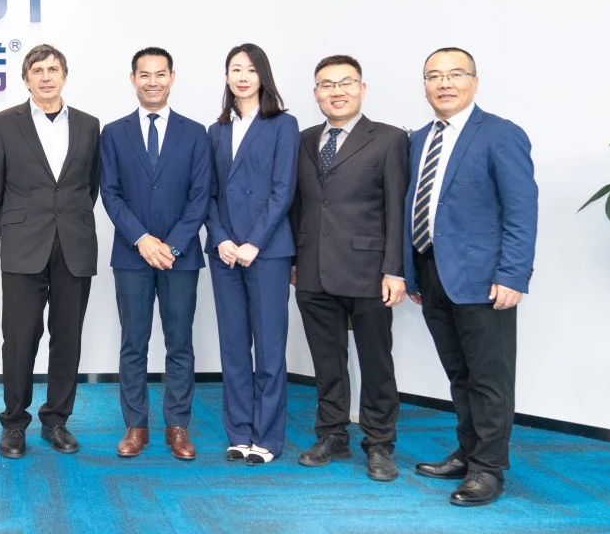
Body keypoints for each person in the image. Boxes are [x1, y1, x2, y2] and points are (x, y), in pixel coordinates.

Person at [405, 47, 537, 506]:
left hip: (484, 280)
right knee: (459, 373)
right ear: (424, 86)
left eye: (455, 74)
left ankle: (489, 469)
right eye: (433, 76)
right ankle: (468, 452)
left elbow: (521, 211)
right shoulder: (418, 139)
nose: (444, 83)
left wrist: (513, 274)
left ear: (474, 82)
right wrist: (412, 272)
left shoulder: (501, 134)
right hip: (432, 274)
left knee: (489, 378)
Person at [289, 55, 408, 481]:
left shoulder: (390, 139)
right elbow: (297, 205)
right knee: (327, 362)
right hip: (312, 270)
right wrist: (294, 260)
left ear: (362, 88)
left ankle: (379, 443)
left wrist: (395, 269)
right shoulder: (302, 140)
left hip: (368, 271)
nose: (336, 91)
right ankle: (331, 435)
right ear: (316, 92)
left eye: (345, 82)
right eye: (327, 84)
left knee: (376, 362)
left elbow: (397, 208)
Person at [0, 43, 100, 459]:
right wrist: (14, 233)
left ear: (64, 76)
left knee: (67, 337)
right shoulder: (2, 123)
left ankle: (56, 421)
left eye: (53, 69)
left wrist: (67, 224)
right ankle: (14, 424)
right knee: (19, 338)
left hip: (74, 246)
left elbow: (90, 187)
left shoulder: (89, 125)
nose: (46, 77)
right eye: (37, 70)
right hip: (22, 247)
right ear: (26, 79)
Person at [99, 47, 211, 460]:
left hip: (181, 257)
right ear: (132, 79)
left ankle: (177, 426)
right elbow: (110, 193)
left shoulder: (195, 132)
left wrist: (173, 244)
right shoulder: (114, 132)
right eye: (144, 75)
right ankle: (136, 426)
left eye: (160, 74)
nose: (152, 82)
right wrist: (142, 239)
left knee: (180, 343)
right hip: (132, 255)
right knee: (134, 343)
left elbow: (200, 195)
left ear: (172, 78)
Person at [204, 42, 299, 465]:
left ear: (263, 76)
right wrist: (222, 239)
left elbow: (283, 190)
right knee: (234, 346)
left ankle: (268, 437)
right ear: (226, 77)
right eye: (235, 69)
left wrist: (253, 242)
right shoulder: (216, 130)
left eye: (250, 69)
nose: (242, 77)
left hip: (267, 251)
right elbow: (207, 193)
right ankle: (239, 432)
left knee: (270, 347)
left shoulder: (283, 124)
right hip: (225, 253)